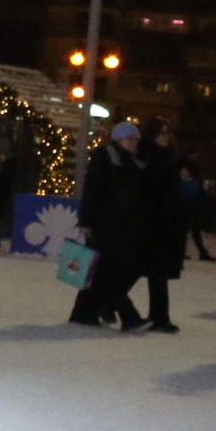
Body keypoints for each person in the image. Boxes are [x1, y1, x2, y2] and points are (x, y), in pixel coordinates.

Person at [70, 122, 148, 330]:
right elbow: (93, 190)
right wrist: (87, 221)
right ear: (119, 139)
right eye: (130, 138)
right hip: (106, 224)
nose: (134, 142)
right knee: (109, 270)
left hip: (121, 225)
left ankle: (84, 312)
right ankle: (128, 315)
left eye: (136, 139)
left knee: (99, 271)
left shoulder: (132, 161)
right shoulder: (105, 158)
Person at [136, 118, 189, 334]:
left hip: (166, 223)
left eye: (167, 132)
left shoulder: (166, 156)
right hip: (154, 222)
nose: (166, 137)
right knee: (151, 270)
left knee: (157, 272)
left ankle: (159, 316)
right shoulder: (148, 156)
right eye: (162, 133)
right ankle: (158, 316)